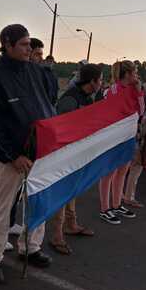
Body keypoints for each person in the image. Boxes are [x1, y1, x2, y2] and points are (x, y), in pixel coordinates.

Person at [0, 24, 54, 285]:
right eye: (23, 44)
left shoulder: (35, 72)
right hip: (11, 158)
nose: (28, 48)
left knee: (38, 202)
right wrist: (11, 155)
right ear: (7, 45)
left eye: (29, 44)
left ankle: (30, 247)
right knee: (2, 207)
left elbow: (47, 108)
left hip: (39, 153)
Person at [49, 64, 102, 255]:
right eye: (100, 79)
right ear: (93, 81)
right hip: (65, 154)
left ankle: (71, 224)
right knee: (63, 194)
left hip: (77, 154)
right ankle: (57, 235)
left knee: (72, 192)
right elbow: (61, 127)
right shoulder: (71, 99)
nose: (102, 83)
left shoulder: (87, 98)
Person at [98, 61, 143, 225]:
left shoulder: (134, 89)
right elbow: (113, 111)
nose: (137, 76)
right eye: (135, 72)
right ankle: (105, 208)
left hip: (128, 134)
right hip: (114, 135)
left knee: (123, 170)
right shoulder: (114, 89)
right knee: (109, 172)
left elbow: (141, 111)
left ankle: (116, 204)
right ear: (128, 74)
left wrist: (139, 92)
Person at [30, 38, 58, 106]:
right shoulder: (16, 77)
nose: (41, 58)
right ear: (27, 53)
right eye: (37, 54)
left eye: (41, 55)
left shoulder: (42, 74)